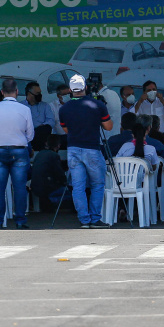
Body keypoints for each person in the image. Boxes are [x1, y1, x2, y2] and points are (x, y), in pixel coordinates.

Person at [58, 74, 113, 228]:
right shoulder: (97, 105)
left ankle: (84, 220)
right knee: (97, 184)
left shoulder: (64, 108)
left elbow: (66, 129)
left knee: (78, 186)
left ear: (70, 90)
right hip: (92, 149)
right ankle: (95, 219)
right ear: (85, 88)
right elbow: (109, 126)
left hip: (74, 149)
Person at [0, 77, 33, 229]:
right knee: (19, 187)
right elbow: (30, 134)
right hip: (19, 149)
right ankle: (20, 221)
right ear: (17, 92)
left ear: (1, 92)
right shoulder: (25, 109)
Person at [29, 134, 67, 212]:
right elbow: (60, 174)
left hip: (35, 186)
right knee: (74, 191)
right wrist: (66, 182)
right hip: (47, 189)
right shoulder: (54, 156)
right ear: (58, 145)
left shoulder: (40, 154)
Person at [116, 122, 159, 190]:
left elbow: (117, 162)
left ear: (132, 135)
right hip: (144, 184)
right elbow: (154, 167)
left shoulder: (125, 146)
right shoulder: (151, 149)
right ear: (145, 134)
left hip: (125, 182)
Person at [22, 81, 56, 150]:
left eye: (40, 93)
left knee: (45, 129)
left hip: (40, 132)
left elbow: (51, 120)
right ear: (29, 94)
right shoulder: (21, 106)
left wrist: (43, 125)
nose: (40, 95)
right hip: (26, 133)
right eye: (37, 93)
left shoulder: (45, 105)